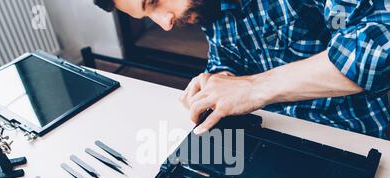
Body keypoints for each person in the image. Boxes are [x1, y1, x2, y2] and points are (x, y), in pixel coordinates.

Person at [94, 0, 390, 139]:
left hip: (358, 138)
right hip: (282, 137)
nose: (164, 23)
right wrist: (220, 79)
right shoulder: (207, 7)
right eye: (147, 15)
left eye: (154, 2)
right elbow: (228, 56)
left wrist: (254, 88)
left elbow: (379, 46)